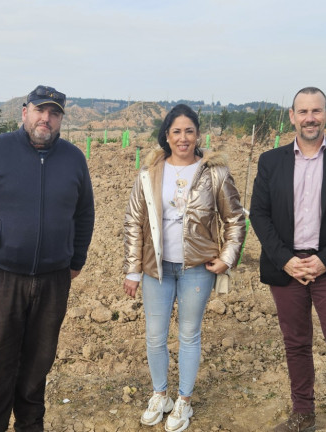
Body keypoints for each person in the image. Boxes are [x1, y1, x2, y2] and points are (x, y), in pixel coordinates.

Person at [0, 85, 95, 432]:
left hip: (53, 280)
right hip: (2, 278)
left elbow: (85, 213)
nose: (46, 118)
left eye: (54, 113)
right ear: (24, 112)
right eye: (39, 110)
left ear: (61, 119)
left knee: (38, 362)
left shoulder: (74, 158)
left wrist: (76, 258)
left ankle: (31, 426)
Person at [249, 87, 326, 432]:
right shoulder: (271, 161)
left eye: (316, 111)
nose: (310, 118)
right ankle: (304, 415)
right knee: (296, 343)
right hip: (287, 269)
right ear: (292, 116)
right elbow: (259, 214)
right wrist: (285, 260)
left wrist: (325, 260)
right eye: (303, 112)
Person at [123, 104, 245, 432]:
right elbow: (134, 222)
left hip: (196, 270)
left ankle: (184, 401)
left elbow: (235, 218)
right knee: (154, 336)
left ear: (198, 135)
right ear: (166, 136)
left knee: (189, 334)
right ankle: (160, 394)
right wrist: (133, 270)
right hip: (156, 268)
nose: (183, 137)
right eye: (176, 131)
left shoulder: (214, 173)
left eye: (189, 131)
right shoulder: (149, 174)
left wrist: (227, 257)